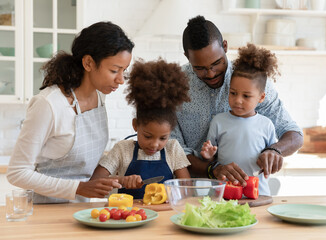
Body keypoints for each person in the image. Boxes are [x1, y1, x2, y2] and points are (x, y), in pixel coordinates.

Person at [7, 22, 135, 203]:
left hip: (79, 211)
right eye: (114, 70)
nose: (121, 80)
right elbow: (17, 173)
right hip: (43, 211)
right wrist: (80, 188)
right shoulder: (48, 104)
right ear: (88, 63)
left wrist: (113, 180)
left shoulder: (100, 98)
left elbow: (83, 168)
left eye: (124, 70)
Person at [171, 15, 303, 187]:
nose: (210, 73)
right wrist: (212, 168)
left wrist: (274, 150)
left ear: (225, 46)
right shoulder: (173, 86)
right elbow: (172, 148)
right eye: (200, 68)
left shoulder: (250, 79)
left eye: (216, 63)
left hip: (245, 189)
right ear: (187, 57)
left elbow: (293, 134)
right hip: (193, 187)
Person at [91, 59, 191, 199]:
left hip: (163, 214)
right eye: (148, 136)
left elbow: (186, 189)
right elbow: (95, 181)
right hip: (127, 216)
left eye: (163, 138)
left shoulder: (173, 149)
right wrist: (122, 180)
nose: (155, 144)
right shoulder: (122, 150)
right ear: (135, 125)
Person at [200, 43, 281, 196]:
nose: (237, 100)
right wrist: (208, 156)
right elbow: (211, 159)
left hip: (259, 193)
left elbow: (272, 157)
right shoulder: (218, 121)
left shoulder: (266, 125)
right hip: (225, 193)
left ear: (261, 97)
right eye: (233, 93)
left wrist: (272, 162)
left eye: (246, 96)